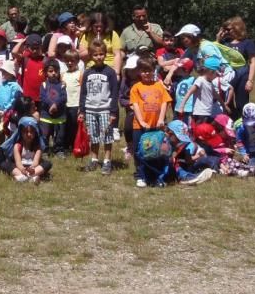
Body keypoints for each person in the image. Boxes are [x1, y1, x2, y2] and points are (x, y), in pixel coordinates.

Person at [130, 59, 173, 187]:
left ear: (153, 71)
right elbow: (136, 105)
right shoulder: (136, 87)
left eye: (149, 71)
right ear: (139, 72)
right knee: (140, 151)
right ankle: (140, 175)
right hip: (140, 126)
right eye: (143, 71)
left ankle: (156, 175)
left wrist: (161, 119)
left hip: (156, 126)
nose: (146, 74)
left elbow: (165, 102)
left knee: (156, 151)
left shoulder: (159, 86)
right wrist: (142, 121)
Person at [79, 40, 119, 176]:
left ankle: (107, 161)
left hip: (105, 110)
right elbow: (83, 93)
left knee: (107, 136)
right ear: (91, 55)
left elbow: (114, 93)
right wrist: (82, 110)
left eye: (101, 54)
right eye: (95, 55)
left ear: (105, 54)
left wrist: (113, 111)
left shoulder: (110, 72)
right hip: (90, 109)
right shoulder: (87, 73)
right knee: (94, 136)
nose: (99, 57)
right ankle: (94, 159)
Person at [216, 16, 255, 118]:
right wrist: (218, 38)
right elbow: (215, 54)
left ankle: (244, 124)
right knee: (226, 103)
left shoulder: (247, 43)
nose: (227, 32)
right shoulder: (224, 43)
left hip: (242, 76)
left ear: (237, 28)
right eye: (225, 29)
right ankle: (233, 123)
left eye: (228, 29)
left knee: (241, 103)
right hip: (226, 76)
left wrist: (250, 80)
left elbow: (252, 62)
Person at [175, 57, 225, 125]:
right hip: (199, 113)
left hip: (207, 113)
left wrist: (224, 106)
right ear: (211, 72)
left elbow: (216, 95)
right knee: (198, 131)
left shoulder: (210, 83)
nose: (217, 76)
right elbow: (189, 92)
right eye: (216, 74)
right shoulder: (200, 80)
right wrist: (182, 106)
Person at [78, 11, 123, 76]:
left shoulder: (112, 34)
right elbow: (81, 56)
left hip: (110, 68)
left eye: (101, 26)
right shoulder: (86, 35)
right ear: (91, 25)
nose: (99, 29)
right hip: (91, 69)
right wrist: (93, 46)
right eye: (96, 26)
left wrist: (117, 73)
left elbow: (117, 55)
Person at [38, 59, 68, 156]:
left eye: (56, 71)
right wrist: (51, 104)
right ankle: (44, 150)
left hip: (59, 116)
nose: (54, 73)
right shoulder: (43, 85)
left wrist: (56, 104)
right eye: (51, 71)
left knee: (60, 135)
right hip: (46, 115)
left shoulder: (62, 85)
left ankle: (59, 149)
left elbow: (64, 97)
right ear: (46, 72)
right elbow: (43, 97)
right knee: (44, 134)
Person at [10, 118, 51, 184]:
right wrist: (22, 169)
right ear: (21, 133)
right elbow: (18, 162)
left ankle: (22, 177)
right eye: (26, 132)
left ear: (35, 133)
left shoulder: (38, 147)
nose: (29, 134)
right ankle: (32, 177)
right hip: (20, 167)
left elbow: (36, 162)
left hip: (33, 168)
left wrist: (31, 168)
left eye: (31, 132)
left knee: (48, 164)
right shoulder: (17, 146)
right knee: (6, 164)